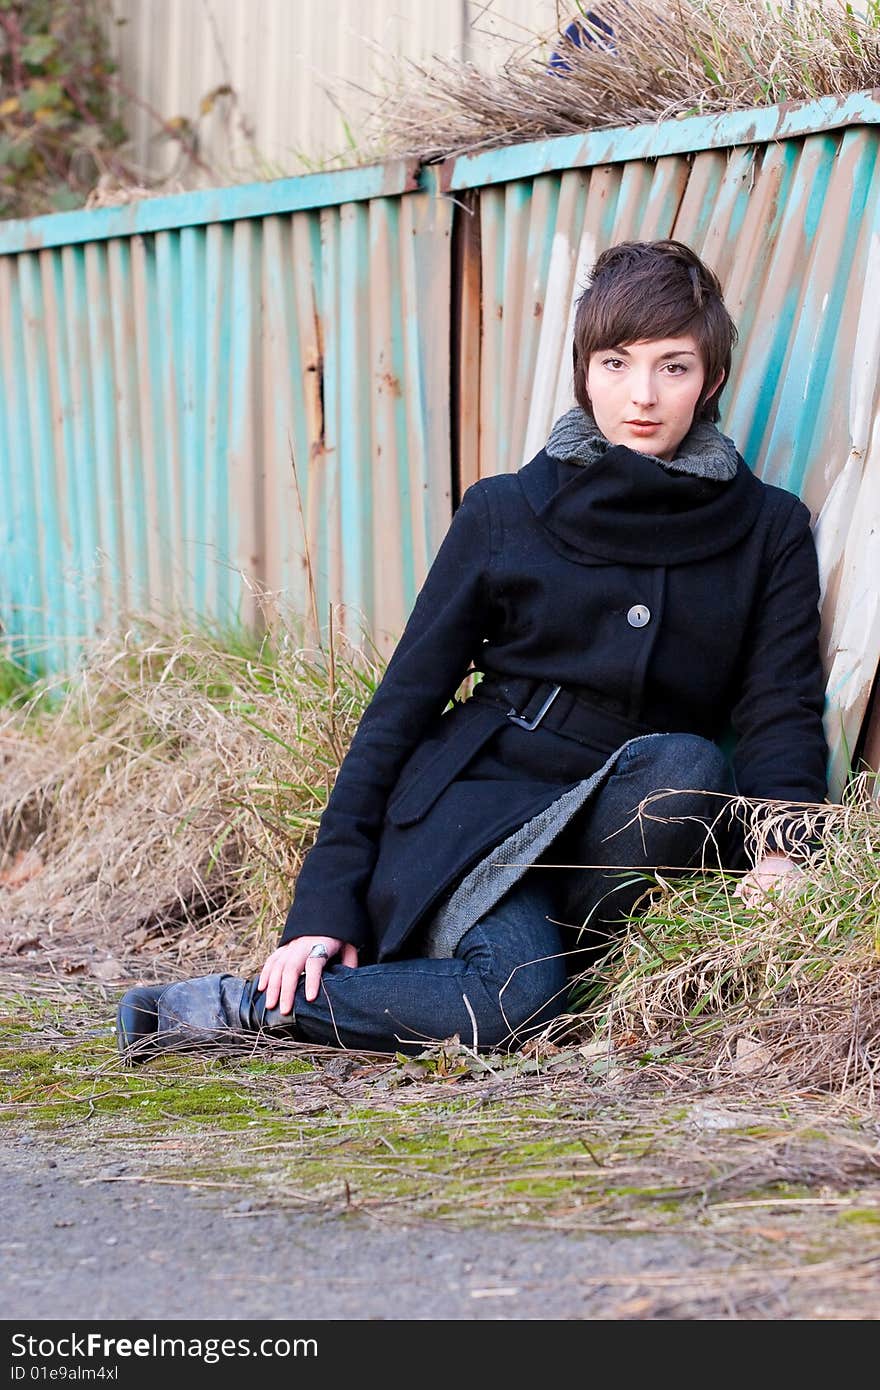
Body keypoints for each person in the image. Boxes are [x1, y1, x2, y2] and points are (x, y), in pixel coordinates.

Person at [116, 239, 828, 1061]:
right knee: (516, 1008)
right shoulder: (504, 512)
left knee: (690, 766)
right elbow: (400, 709)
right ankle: (231, 1009)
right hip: (484, 815)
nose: (642, 396)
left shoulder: (767, 528)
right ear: (582, 372)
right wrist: (324, 908)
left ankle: (542, 970)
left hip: (617, 840)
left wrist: (783, 850)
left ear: (711, 381)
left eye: (673, 367)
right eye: (615, 363)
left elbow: (781, 706)